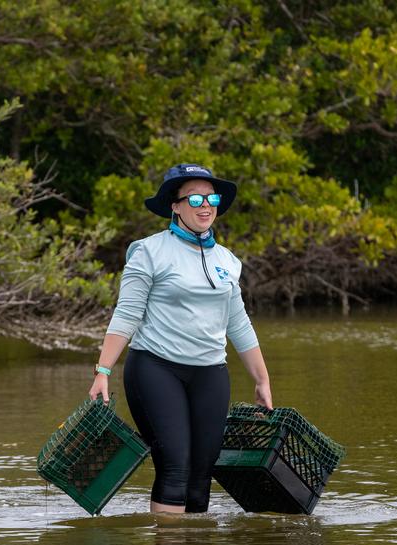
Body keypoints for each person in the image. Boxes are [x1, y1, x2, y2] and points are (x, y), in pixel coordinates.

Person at [89, 163, 273, 514]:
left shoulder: (227, 261)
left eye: (212, 198)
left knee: (202, 471)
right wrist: (103, 370)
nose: (206, 206)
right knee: (175, 464)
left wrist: (262, 379)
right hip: (156, 368)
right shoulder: (148, 251)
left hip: (209, 373)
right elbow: (127, 315)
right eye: (196, 198)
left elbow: (238, 323)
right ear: (175, 205)